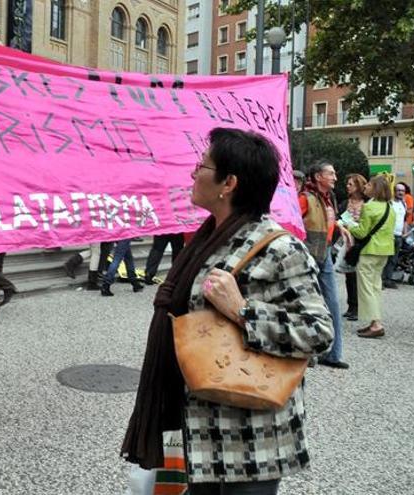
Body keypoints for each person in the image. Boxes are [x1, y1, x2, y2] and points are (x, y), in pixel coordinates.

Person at [121, 128, 333, 495]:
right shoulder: (207, 238)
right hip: (199, 427)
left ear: (228, 183)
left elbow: (318, 332)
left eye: (202, 165)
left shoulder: (280, 248)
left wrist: (244, 311)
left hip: (249, 438)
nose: (193, 173)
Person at [298, 160, 349, 368]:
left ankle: (334, 354)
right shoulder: (305, 198)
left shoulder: (329, 198)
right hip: (308, 255)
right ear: (318, 177)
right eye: (331, 173)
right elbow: (293, 222)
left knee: (332, 303)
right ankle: (307, 352)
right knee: (307, 303)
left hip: (325, 253)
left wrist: (339, 225)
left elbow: (326, 219)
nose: (335, 177)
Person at [340, 175, 395, 338]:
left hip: (369, 251)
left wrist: (347, 225)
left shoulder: (369, 207)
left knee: (366, 287)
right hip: (385, 251)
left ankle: (376, 324)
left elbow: (362, 232)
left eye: (369, 185)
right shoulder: (389, 208)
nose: (366, 187)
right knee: (375, 286)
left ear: (376, 188)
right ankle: (374, 322)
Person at [338, 173, 367, 321]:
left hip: (362, 241)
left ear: (358, 186)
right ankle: (351, 306)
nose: (347, 187)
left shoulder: (367, 203)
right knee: (349, 274)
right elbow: (338, 218)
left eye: (351, 184)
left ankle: (359, 307)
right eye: (347, 184)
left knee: (359, 275)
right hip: (347, 241)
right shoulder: (345, 203)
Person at [381, 182, 409, 288]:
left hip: (399, 236)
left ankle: (388, 279)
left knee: (393, 259)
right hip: (389, 235)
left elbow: (405, 219)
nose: (401, 192)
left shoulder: (404, 204)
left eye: (403, 191)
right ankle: (381, 280)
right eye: (398, 190)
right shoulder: (390, 203)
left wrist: (405, 231)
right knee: (385, 258)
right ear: (394, 191)